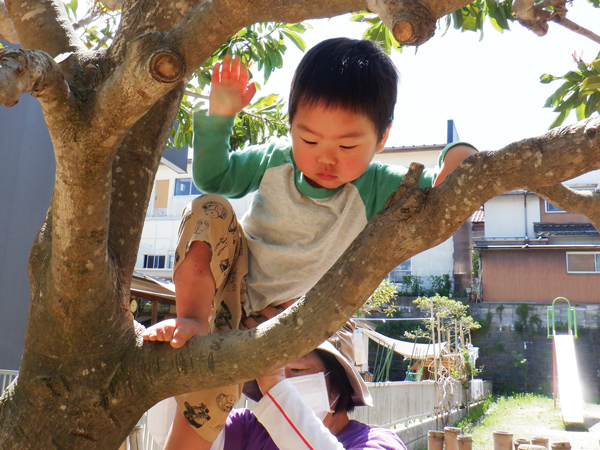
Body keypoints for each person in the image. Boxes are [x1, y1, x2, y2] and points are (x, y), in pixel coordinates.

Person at [142, 37, 477, 446]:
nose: (326, 159)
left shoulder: (377, 187)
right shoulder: (274, 161)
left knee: (202, 411)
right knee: (210, 208)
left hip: (280, 319)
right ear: (291, 127)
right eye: (310, 140)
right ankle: (190, 319)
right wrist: (220, 117)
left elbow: (439, 188)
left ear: (382, 138)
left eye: (348, 145)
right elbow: (213, 176)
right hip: (228, 283)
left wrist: (460, 154)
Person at [166, 323, 408, 450]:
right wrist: (179, 358)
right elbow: (172, 431)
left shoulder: (378, 443)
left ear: (338, 383)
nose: (282, 381)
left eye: (297, 370)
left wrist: (275, 385)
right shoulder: (249, 429)